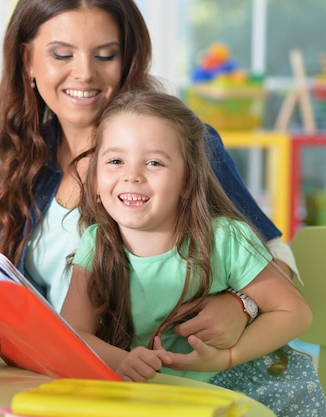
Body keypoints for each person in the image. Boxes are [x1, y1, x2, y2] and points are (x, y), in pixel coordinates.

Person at [0, 0, 297, 356]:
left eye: (105, 55)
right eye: (62, 54)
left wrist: (241, 304)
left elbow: (278, 264)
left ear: (127, 61)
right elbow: (16, 285)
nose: (84, 73)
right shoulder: (32, 151)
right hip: (39, 345)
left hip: (130, 357)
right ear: (28, 60)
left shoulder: (179, 144)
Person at [60, 90, 325, 417]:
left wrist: (227, 357)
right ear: (96, 176)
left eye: (154, 162)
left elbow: (294, 312)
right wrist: (121, 361)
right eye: (115, 161)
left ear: (187, 180)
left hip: (234, 387)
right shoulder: (96, 242)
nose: (132, 175)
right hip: (156, 396)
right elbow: (71, 334)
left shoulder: (225, 238)